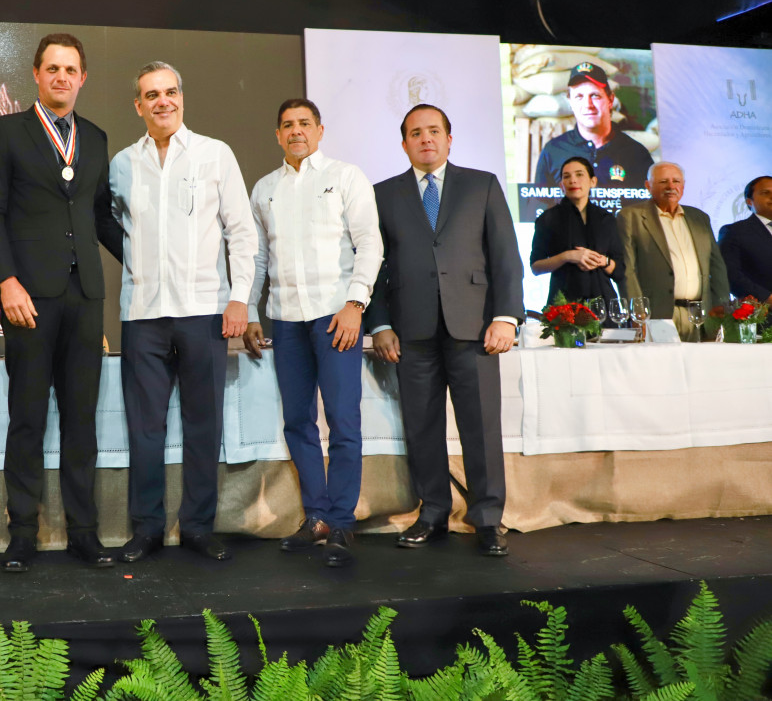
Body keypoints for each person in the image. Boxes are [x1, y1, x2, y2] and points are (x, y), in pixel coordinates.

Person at [0, 34, 124, 572]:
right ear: (36, 74)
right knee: (27, 417)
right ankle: (22, 532)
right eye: (53, 68)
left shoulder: (97, 137)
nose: (62, 77)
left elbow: (101, 216)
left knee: (82, 420)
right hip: (29, 297)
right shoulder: (5, 132)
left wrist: (148, 261)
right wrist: (6, 282)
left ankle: (84, 531)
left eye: (71, 69)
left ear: (83, 78)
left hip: (85, 295)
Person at [109, 61, 257, 563]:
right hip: (142, 313)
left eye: (169, 92)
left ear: (182, 98)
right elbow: (112, 226)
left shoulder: (215, 153)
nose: (162, 101)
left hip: (204, 311)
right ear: (138, 106)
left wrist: (239, 297)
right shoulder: (123, 164)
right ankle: (147, 528)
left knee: (203, 426)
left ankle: (197, 526)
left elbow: (242, 231)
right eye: (151, 95)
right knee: (144, 430)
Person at [367, 104, 524, 557]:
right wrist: (380, 323)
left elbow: (505, 255)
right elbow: (372, 265)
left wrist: (506, 316)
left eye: (434, 130)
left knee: (481, 427)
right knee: (422, 427)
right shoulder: (383, 194)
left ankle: (488, 518)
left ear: (449, 139)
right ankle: (433, 512)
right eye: (416, 133)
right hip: (410, 331)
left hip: (474, 328)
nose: (426, 139)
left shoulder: (482, 185)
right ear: (404, 144)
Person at [242, 98, 382, 567]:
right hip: (285, 319)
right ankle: (316, 517)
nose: (296, 131)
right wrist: (250, 308)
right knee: (297, 422)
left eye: (304, 123)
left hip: (335, 316)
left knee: (343, 420)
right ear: (277, 135)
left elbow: (370, 244)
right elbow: (258, 257)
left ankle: (341, 521)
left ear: (320, 130)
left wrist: (355, 304)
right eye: (287, 125)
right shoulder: (265, 188)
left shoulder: (346, 177)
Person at [618, 161, 730, 340]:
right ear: (648, 185)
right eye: (663, 182)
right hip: (656, 314)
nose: (671, 186)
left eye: (676, 181)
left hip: (701, 315)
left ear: (683, 185)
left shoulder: (699, 217)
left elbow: (717, 267)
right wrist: (638, 313)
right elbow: (627, 269)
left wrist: (722, 306)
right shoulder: (631, 217)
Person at [533, 62, 653, 190]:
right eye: (579, 96)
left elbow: (650, 201)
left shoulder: (636, 154)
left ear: (610, 100)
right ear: (570, 102)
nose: (588, 105)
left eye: (595, 96)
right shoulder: (554, 151)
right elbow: (539, 201)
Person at [529, 156, 625, 305]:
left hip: (603, 303)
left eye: (579, 174)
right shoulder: (548, 219)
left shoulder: (606, 219)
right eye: (566, 177)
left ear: (593, 181)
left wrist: (603, 261)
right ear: (561, 185)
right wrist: (568, 256)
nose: (573, 180)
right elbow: (536, 267)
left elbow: (619, 270)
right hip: (563, 305)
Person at [718, 175, 772, 304]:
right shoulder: (734, 232)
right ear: (749, 201)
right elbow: (731, 275)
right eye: (766, 193)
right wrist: (767, 298)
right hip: (762, 311)